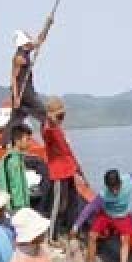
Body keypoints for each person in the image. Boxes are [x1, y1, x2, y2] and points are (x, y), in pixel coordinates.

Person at [0, 21, 52, 146]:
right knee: (43, 113)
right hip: (24, 92)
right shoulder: (19, 57)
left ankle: (3, 144)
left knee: (15, 120)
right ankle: (49, 139)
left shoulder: (26, 50)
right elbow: (13, 78)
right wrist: (16, 98)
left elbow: (40, 41)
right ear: (23, 41)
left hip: (27, 90)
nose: (30, 39)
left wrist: (47, 26)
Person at [41, 95, 85, 239]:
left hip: (69, 170)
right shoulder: (49, 130)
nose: (61, 119)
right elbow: (47, 132)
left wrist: (79, 169)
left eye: (62, 116)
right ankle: (51, 236)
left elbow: (68, 152)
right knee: (58, 204)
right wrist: (50, 120)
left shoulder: (59, 130)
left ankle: (70, 229)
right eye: (59, 116)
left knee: (72, 202)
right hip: (59, 173)